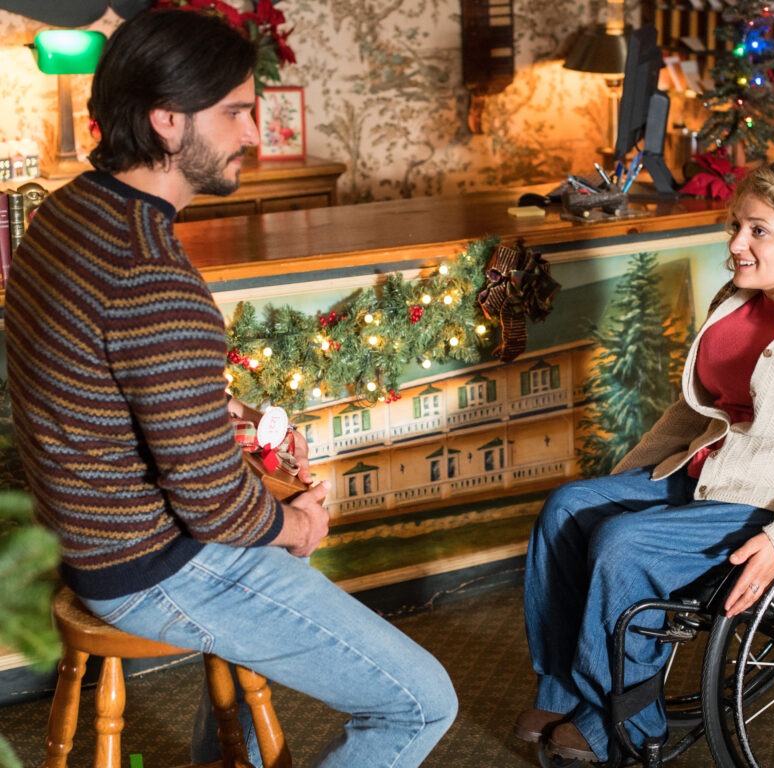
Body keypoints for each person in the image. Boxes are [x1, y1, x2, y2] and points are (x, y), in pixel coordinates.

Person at [5, 10, 456, 768]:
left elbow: (103, 376)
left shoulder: (65, 213)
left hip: (86, 536)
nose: (256, 133)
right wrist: (294, 527)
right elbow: (211, 502)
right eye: (239, 112)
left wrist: (224, 412)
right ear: (167, 121)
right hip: (146, 563)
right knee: (419, 702)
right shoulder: (152, 274)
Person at [514, 157, 774, 763]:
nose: (736, 244)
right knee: (570, 507)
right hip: (705, 470)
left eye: (758, 230)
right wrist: (626, 479)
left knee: (623, 547)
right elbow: (694, 412)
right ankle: (565, 686)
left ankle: (623, 721)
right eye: (737, 226)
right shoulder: (737, 300)